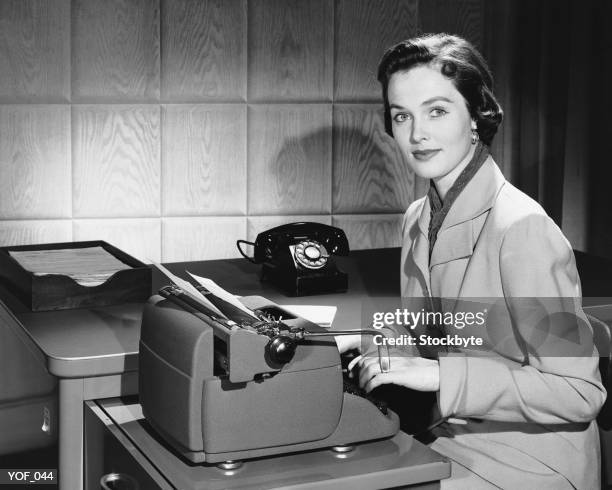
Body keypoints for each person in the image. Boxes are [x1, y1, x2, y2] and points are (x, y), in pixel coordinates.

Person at [336, 34, 606, 488]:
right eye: (402, 115)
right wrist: (364, 338)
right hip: (449, 434)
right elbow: (428, 334)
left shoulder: (522, 228)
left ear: (476, 117)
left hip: (531, 458)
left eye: (437, 111)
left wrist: (440, 373)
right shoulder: (417, 217)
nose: (416, 134)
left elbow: (580, 392)